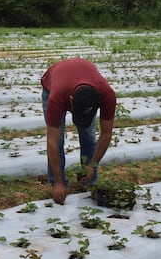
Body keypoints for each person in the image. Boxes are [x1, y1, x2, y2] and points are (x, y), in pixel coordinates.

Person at [41, 58, 117, 205]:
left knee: (88, 135)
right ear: (70, 101)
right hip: (53, 82)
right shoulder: (56, 97)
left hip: (82, 82)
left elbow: (106, 133)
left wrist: (93, 165)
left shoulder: (107, 95)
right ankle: (57, 182)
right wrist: (58, 183)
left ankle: (89, 179)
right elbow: (52, 141)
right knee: (59, 139)